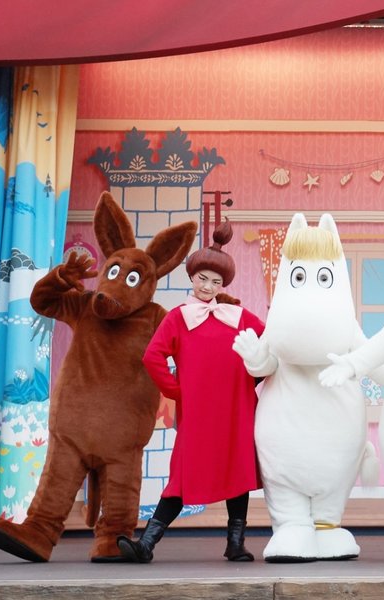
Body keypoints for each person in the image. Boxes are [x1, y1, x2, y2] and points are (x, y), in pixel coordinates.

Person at [117, 221, 265, 563]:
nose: (208, 286)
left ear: (223, 284)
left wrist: (257, 376)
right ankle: (147, 544)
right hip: (197, 413)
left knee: (237, 473)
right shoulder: (179, 318)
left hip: (235, 409)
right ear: (192, 277)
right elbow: (152, 357)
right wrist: (177, 391)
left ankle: (235, 543)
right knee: (183, 477)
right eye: (202, 279)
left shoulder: (240, 316)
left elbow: (269, 345)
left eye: (215, 281)